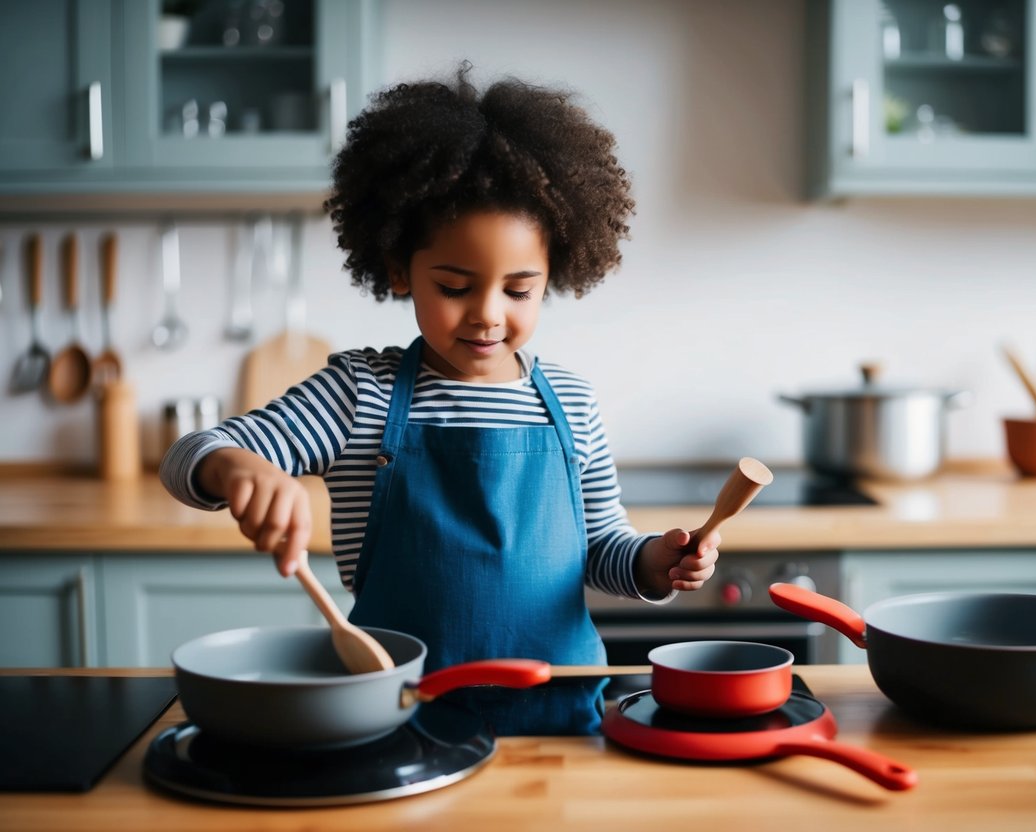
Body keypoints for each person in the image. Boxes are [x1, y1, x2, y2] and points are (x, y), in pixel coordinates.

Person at [159, 63, 721, 736]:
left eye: (518, 290)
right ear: (400, 269)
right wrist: (237, 468)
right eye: (455, 286)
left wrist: (655, 563)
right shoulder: (359, 394)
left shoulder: (569, 400)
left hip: (558, 723)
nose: (487, 315)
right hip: (400, 716)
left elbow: (601, 548)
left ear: (554, 274)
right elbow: (193, 454)